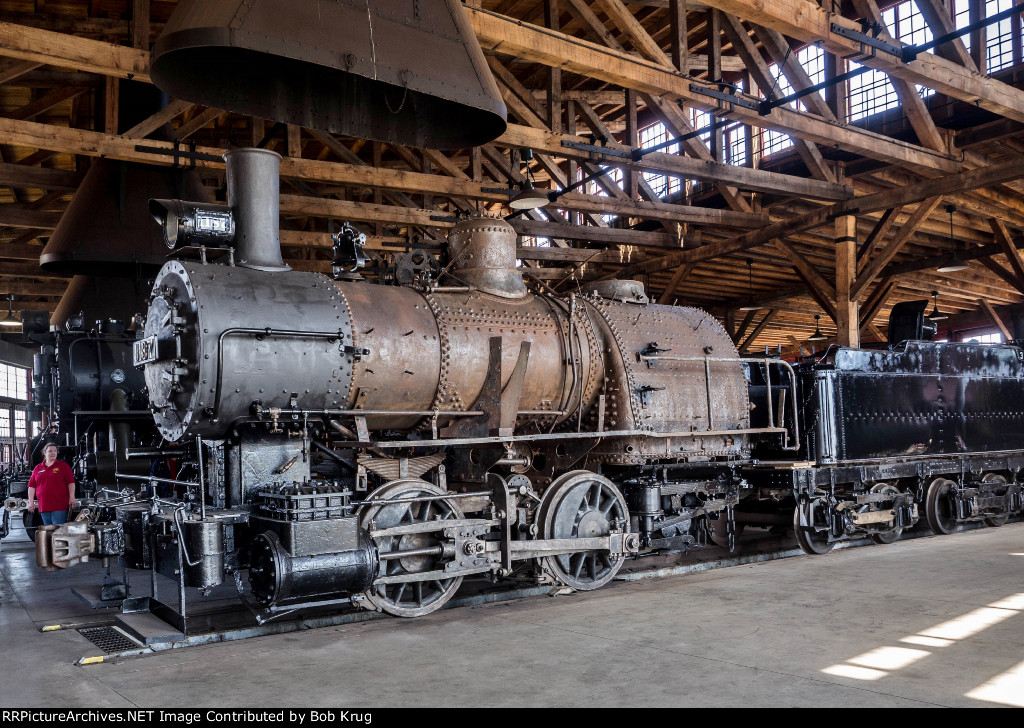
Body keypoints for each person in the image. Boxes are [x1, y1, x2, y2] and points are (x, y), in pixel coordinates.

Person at [26, 442, 75, 526]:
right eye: (50, 451)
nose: (53, 453)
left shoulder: (63, 466)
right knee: (47, 529)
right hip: (44, 505)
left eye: (55, 451)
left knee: (57, 530)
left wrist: (72, 496)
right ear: (44, 453)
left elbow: (71, 482)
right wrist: (30, 502)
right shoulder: (38, 468)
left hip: (59, 505)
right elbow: (31, 486)